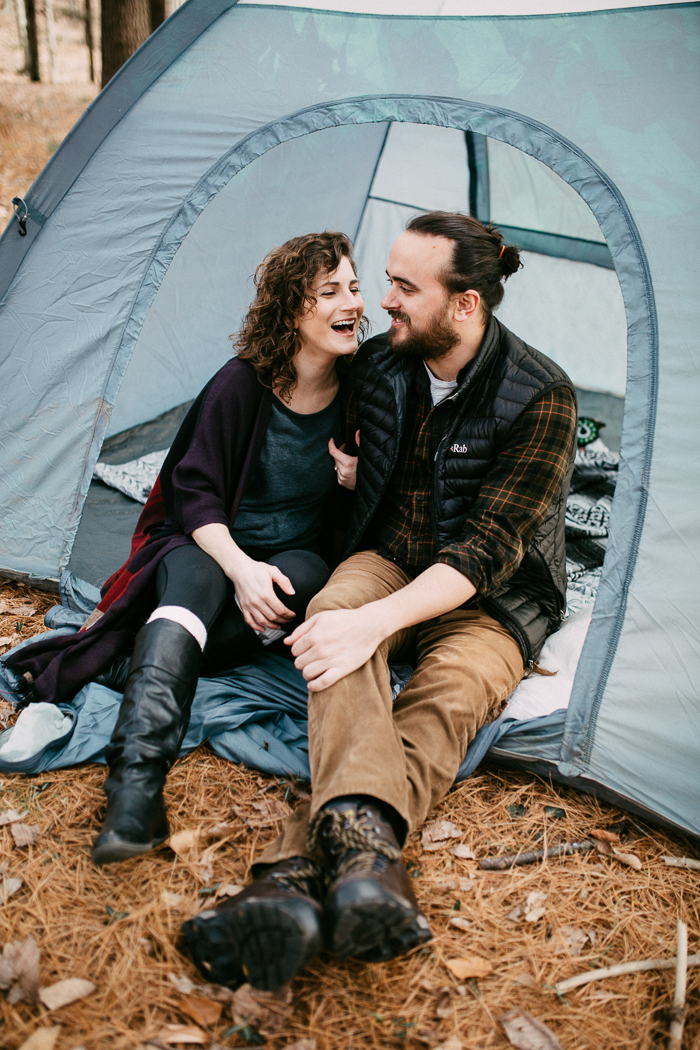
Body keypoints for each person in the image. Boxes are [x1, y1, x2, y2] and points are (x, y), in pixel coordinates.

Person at [182, 212, 578, 991]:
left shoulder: (543, 395)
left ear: (464, 305)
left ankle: (290, 876)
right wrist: (344, 487)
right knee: (332, 623)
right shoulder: (380, 366)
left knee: (449, 693)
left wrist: (375, 624)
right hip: (388, 555)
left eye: (402, 287)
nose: (380, 302)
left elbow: (486, 549)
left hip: (490, 597)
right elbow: (319, 422)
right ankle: (364, 862)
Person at [7, 230, 365, 868]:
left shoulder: (361, 392)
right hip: (210, 543)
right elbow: (193, 493)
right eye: (330, 291)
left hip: (293, 557)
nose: (353, 303)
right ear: (292, 310)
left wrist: (355, 478)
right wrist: (242, 569)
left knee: (306, 577)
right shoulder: (242, 385)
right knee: (199, 579)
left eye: (355, 287)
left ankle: (135, 660)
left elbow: (378, 495)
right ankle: (136, 792)